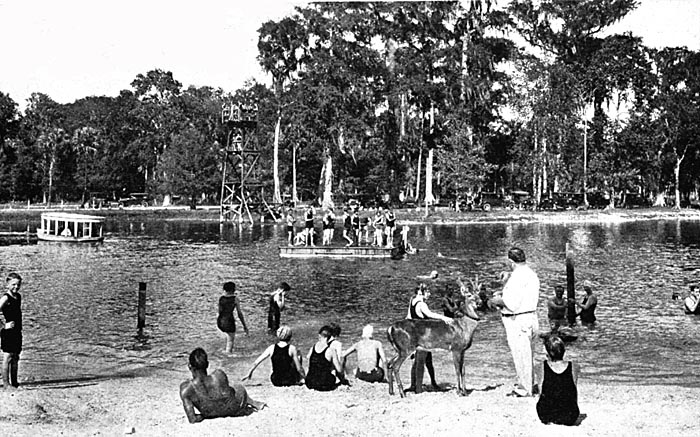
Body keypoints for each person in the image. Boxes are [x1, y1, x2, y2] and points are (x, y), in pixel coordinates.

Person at [490, 247, 541, 397]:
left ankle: (525, 388)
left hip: (517, 319)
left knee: (520, 355)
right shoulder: (531, 274)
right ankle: (529, 383)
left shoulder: (516, 278)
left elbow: (510, 303)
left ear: (511, 261)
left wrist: (494, 300)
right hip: (531, 316)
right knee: (529, 354)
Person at [180, 348, 265, 423]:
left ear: (189, 366)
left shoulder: (186, 389)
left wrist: (206, 415)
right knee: (236, 387)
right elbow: (229, 396)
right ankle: (253, 402)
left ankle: (252, 402)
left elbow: (192, 419)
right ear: (207, 364)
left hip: (209, 413)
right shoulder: (218, 375)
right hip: (232, 410)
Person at [406, 284, 452, 393]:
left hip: (415, 334)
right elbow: (430, 314)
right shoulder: (422, 304)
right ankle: (418, 389)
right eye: (428, 292)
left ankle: (426, 384)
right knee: (420, 361)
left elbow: (408, 317)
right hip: (423, 336)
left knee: (426, 360)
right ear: (422, 292)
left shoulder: (412, 301)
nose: (430, 294)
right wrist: (444, 318)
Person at [536, 335, 580, 426]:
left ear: (548, 352)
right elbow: (573, 390)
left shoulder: (540, 366)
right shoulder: (574, 366)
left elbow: (541, 392)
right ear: (564, 351)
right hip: (570, 415)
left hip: (547, 415)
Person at [0, 272, 23, 389]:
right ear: (7, 285)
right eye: (13, 284)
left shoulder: (18, 296)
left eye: (18, 285)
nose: (16, 287)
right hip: (8, 332)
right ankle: (6, 384)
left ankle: (14, 383)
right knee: (7, 357)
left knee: (16, 357)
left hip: (17, 331)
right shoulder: (5, 297)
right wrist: (4, 326)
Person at [305, 325, 344, 391]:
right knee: (332, 377)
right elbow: (339, 370)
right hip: (324, 384)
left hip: (309, 382)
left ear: (319, 335)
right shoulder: (331, 350)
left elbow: (307, 360)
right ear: (330, 337)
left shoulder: (312, 348)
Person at [217, 282, 249, 354]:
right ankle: (228, 355)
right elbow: (239, 314)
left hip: (220, 321)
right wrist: (244, 326)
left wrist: (219, 321)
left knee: (227, 335)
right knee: (230, 340)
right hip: (229, 321)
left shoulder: (221, 298)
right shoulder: (235, 299)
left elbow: (219, 311)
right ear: (233, 289)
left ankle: (226, 350)